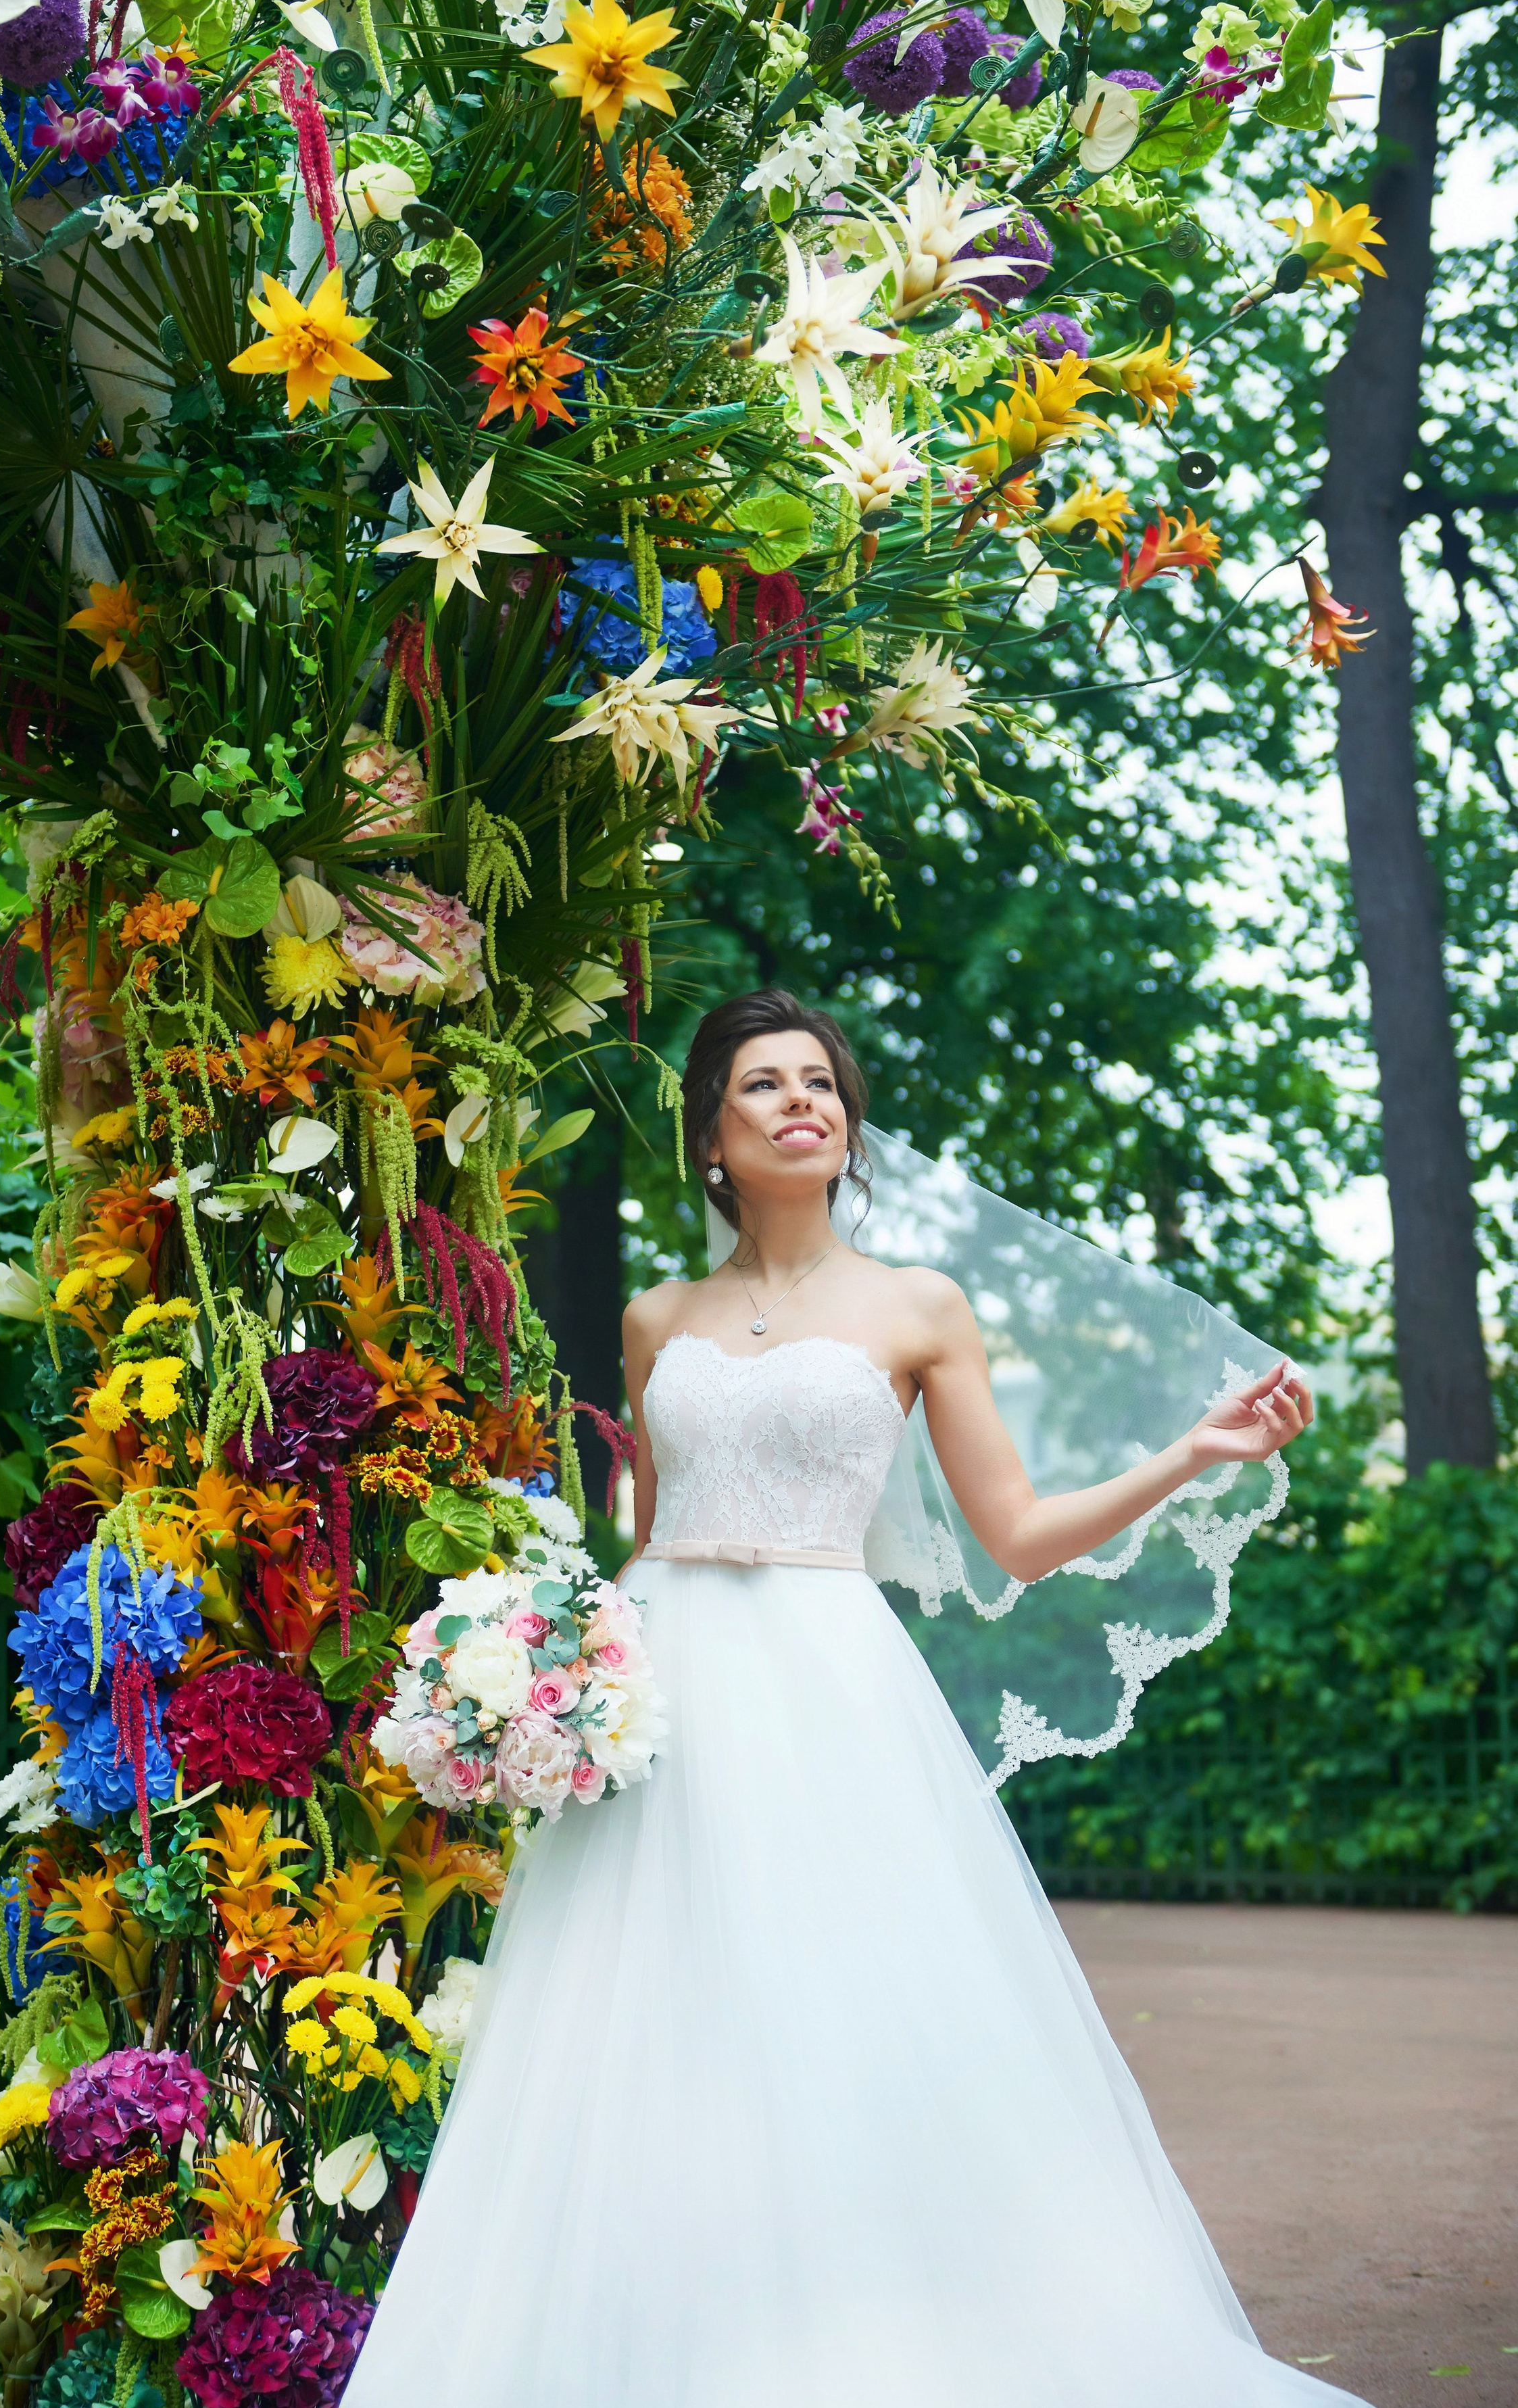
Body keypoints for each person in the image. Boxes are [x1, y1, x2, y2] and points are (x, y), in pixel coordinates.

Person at [345, 988, 1352, 2408]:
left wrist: (1188, 1452)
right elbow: (638, 1529)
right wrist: (549, 1658)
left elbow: (1010, 1532)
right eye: (762, 1084)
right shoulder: (655, 1315)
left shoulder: (915, 1307)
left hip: (829, 1686)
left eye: (818, 1081)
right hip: (665, 1697)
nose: (798, 1102)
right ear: (712, 1134)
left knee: (847, 2017)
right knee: (639, 2029)